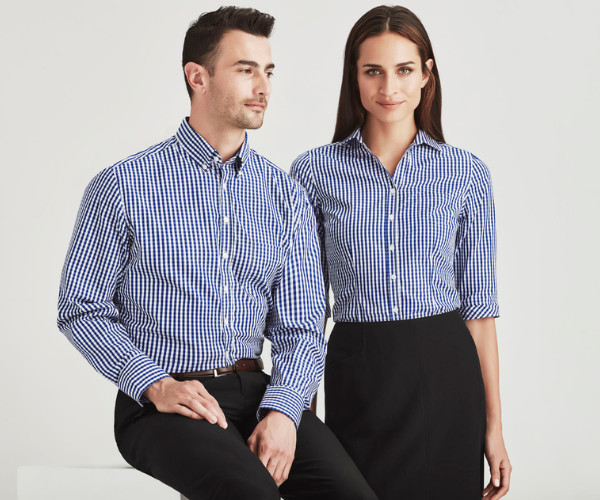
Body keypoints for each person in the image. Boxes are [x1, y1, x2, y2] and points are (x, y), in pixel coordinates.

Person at [57, 7, 377, 500]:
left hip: (259, 395)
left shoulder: (284, 195)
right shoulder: (123, 186)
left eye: (268, 71)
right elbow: (81, 307)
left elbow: (302, 325)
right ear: (198, 77)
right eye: (246, 69)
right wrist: (154, 384)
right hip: (161, 404)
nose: (263, 86)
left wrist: (285, 411)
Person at [291, 5, 512, 500]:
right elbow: (306, 310)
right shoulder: (312, 173)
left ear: (427, 74)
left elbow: (480, 313)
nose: (389, 87)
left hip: (445, 369)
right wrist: (298, 416)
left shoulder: (466, 173)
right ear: (354, 76)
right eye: (373, 71)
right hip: (356, 370)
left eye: (404, 70)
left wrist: (494, 429)